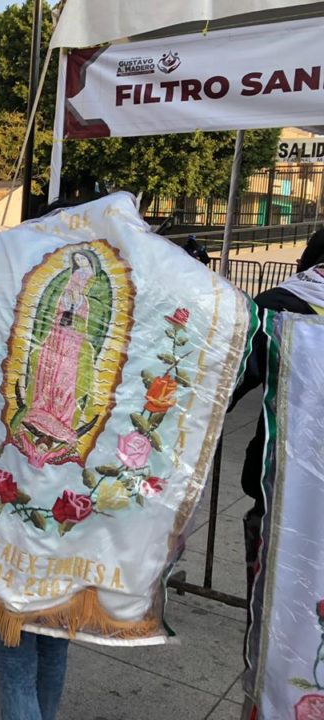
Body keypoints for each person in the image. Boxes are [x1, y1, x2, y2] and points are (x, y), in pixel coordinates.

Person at [231, 228, 324, 720]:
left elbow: (224, 387)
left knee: (278, 635)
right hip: (280, 501)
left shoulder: (279, 306)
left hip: (282, 504)